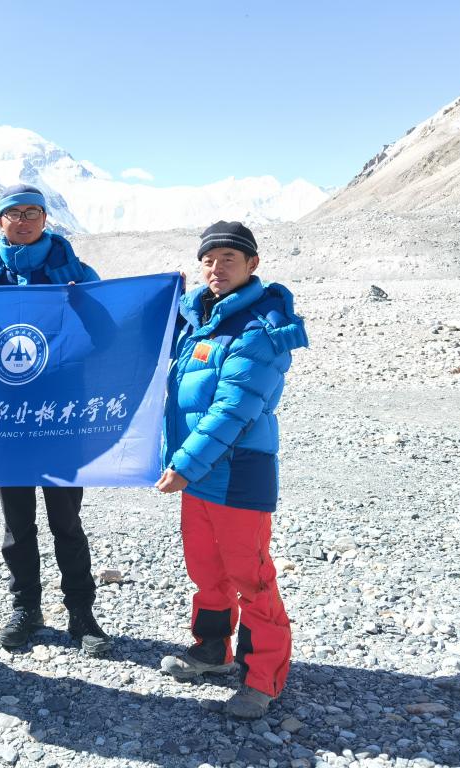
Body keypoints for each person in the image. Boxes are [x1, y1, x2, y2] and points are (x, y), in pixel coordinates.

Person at [156, 221, 308, 718]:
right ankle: (212, 650)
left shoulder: (260, 327)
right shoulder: (199, 319)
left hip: (239, 471)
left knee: (252, 577)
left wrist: (183, 464)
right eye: (209, 260)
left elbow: (233, 408)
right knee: (207, 569)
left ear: (252, 265)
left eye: (228, 259)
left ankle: (263, 678)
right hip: (198, 471)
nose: (216, 268)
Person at [0, 184, 111, 655]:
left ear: (46, 219)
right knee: (17, 522)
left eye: (32, 212)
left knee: (66, 519)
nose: (23, 220)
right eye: (14, 212)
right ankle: (26, 608)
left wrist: (162, 296)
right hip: (6, 415)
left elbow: (109, 328)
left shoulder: (75, 272)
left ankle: (81, 612)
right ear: (0, 221)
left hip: (60, 413)